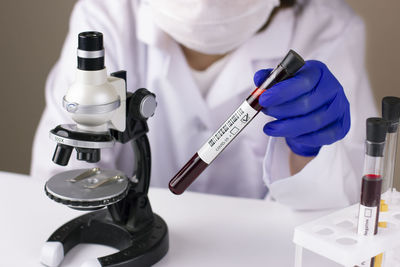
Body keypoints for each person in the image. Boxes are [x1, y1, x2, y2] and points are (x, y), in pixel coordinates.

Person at [31, 0, 377, 210]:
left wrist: (309, 154)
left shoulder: (329, 30)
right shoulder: (106, 17)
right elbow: (60, 181)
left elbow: (345, 209)